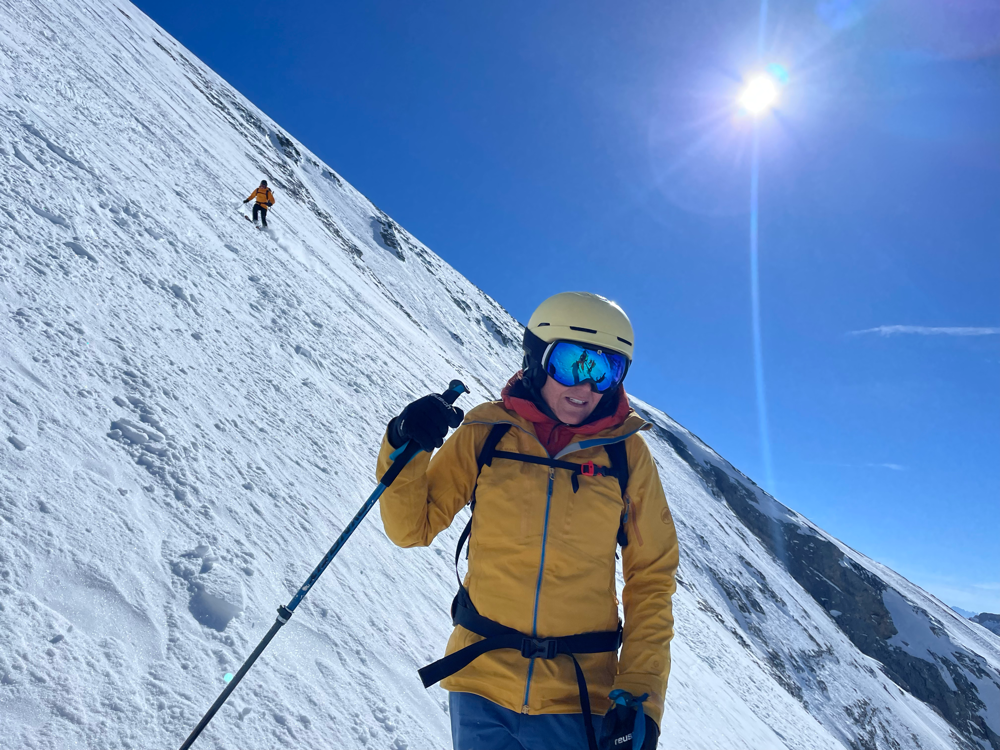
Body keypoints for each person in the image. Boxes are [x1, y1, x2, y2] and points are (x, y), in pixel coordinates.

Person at [376, 292, 679, 750]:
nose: (586, 386)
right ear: (537, 357)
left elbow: (651, 576)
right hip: (480, 685)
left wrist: (641, 693)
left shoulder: (626, 455)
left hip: (578, 699)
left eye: (605, 370)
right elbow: (409, 529)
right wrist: (406, 442)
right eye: (572, 363)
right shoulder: (487, 431)